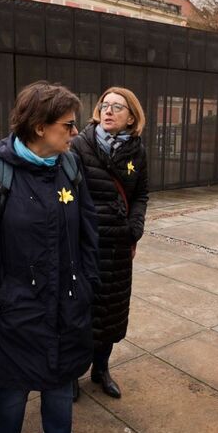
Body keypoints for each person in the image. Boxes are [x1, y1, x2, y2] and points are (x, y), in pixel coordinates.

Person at [0, 81, 99, 433]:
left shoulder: (70, 166)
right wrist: (1, 297)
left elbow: (88, 232)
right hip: (16, 303)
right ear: (40, 127)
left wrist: (87, 284)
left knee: (60, 379)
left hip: (67, 298)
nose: (76, 132)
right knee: (13, 383)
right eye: (68, 124)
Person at [68, 86, 149, 399]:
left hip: (118, 247)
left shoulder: (137, 151)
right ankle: (73, 374)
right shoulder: (78, 146)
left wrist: (135, 228)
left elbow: (140, 193)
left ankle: (101, 369)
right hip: (85, 245)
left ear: (131, 118)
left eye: (118, 107)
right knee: (81, 312)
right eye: (105, 105)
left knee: (112, 312)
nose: (109, 111)